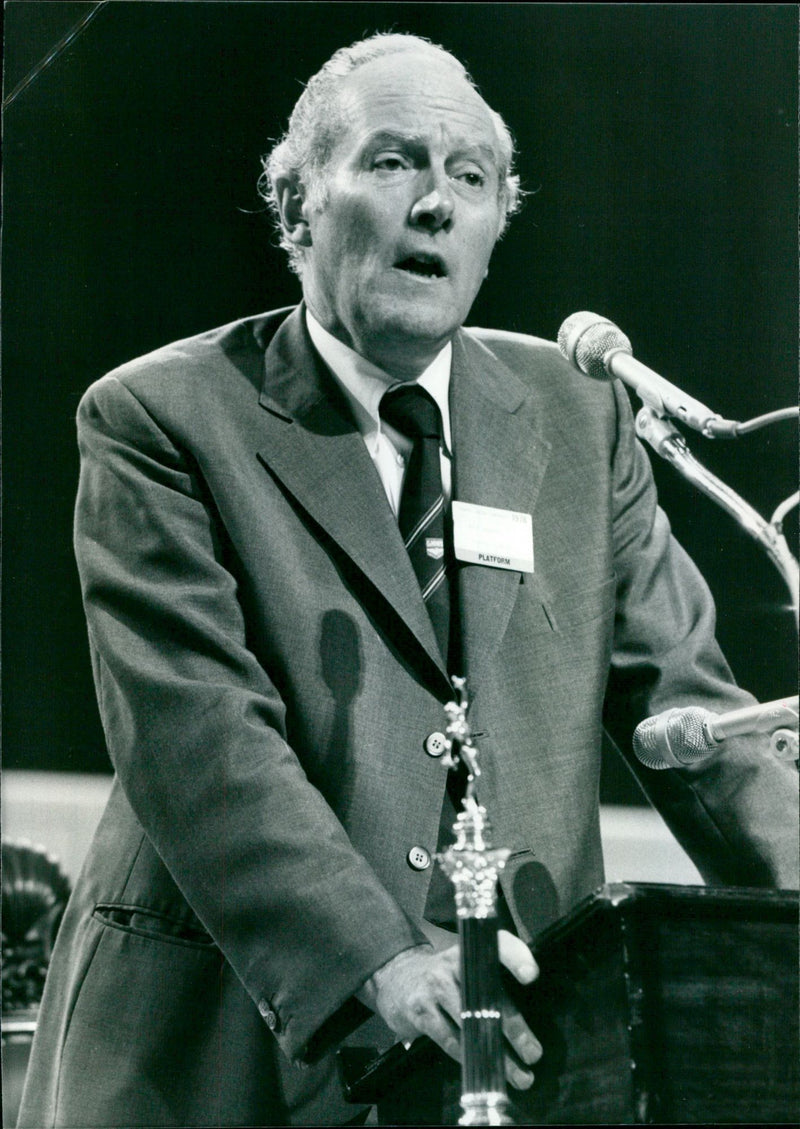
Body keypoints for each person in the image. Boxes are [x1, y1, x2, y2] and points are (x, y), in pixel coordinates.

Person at [19, 32, 798, 1129]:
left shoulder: (576, 414)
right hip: (225, 1055)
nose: (436, 204)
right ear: (295, 206)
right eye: (392, 164)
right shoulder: (163, 418)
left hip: (519, 1054)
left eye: (469, 178)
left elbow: (699, 719)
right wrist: (377, 958)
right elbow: (198, 736)